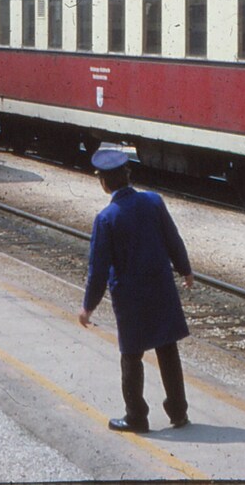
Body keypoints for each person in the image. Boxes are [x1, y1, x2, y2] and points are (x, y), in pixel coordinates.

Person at [78, 149, 193, 434]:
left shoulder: (106, 219)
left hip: (130, 297)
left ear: (104, 183)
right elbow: (172, 239)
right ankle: (178, 412)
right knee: (168, 349)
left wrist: (87, 307)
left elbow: (98, 270)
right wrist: (185, 269)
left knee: (131, 355)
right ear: (128, 175)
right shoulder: (154, 202)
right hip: (161, 288)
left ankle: (136, 417)